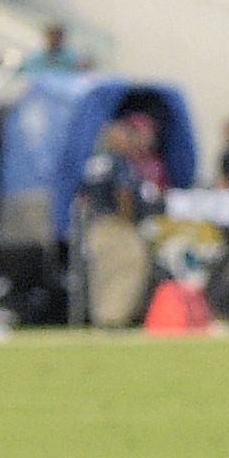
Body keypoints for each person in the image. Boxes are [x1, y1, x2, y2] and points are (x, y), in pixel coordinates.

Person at [72, 106, 163, 329]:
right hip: (117, 225)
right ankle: (114, 319)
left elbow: (82, 196)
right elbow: (124, 192)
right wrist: (128, 219)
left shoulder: (93, 162)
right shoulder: (118, 161)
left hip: (97, 225)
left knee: (103, 274)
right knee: (128, 266)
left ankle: (103, 317)